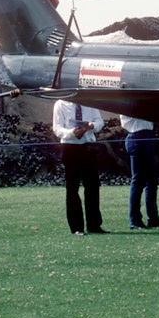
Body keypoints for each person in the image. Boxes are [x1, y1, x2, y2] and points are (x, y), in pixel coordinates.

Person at [52, 98, 105, 234]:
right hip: (70, 147)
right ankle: (76, 227)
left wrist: (91, 126)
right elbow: (57, 128)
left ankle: (94, 225)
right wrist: (71, 133)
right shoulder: (60, 104)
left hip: (88, 147)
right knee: (72, 189)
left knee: (92, 187)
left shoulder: (90, 103)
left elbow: (100, 122)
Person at [121, 114, 159, 229]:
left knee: (152, 181)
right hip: (136, 137)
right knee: (138, 181)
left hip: (147, 136)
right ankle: (134, 220)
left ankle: (153, 218)